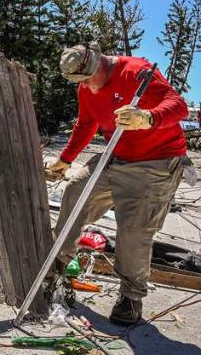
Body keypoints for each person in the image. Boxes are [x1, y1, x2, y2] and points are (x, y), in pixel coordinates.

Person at [45, 42, 189, 325]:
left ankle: (131, 298)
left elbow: (179, 107)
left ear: (99, 63)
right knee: (76, 191)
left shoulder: (137, 72)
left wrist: (148, 118)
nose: (87, 86)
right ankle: (57, 265)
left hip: (155, 162)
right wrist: (65, 160)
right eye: (80, 82)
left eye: (88, 78)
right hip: (116, 154)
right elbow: (86, 125)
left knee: (134, 229)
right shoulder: (86, 88)